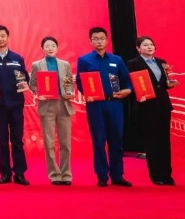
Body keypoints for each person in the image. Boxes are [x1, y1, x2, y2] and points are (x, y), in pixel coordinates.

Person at [76, 27, 133, 187]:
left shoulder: (117, 60)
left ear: (107, 40)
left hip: (114, 104)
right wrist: (87, 93)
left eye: (102, 38)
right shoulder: (84, 60)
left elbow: (127, 80)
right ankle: (101, 175)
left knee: (116, 140)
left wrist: (128, 90)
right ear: (90, 41)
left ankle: (117, 175)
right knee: (99, 140)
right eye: (95, 39)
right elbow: (80, 82)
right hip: (95, 105)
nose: (99, 41)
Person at [0, 25, 30, 186]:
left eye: (3, 36)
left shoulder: (17, 58)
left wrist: (24, 84)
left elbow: (25, 79)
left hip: (16, 104)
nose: (0, 39)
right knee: (2, 141)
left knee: (17, 141)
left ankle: (20, 174)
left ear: (8, 37)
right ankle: (5, 173)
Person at [126, 36, 178, 186]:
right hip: (146, 106)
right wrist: (137, 95)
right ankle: (156, 175)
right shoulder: (133, 63)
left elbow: (163, 83)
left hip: (163, 105)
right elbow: (131, 83)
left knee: (164, 140)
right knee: (152, 140)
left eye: (151, 44)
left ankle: (167, 175)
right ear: (138, 48)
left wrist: (170, 84)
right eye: (145, 45)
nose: (149, 47)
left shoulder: (161, 62)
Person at [29, 37, 74, 186]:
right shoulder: (37, 65)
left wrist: (69, 92)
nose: (50, 48)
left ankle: (66, 174)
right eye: (47, 46)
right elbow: (32, 84)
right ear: (42, 49)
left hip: (63, 103)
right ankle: (54, 174)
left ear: (57, 48)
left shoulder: (65, 64)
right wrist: (38, 93)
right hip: (46, 105)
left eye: (53, 45)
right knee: (49, 142)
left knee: (65, 142)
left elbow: (69, 81)